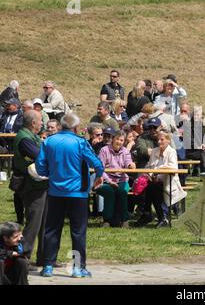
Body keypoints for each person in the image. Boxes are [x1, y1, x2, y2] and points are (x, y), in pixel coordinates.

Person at [35, 113, 104, 278]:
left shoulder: (49, 141)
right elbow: (96, 163)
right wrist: (99, 175)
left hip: (55, 192)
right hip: (78, 193)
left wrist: (49, 173)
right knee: (78, 231)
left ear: (61, 126)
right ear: (76, 127)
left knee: (51, 229)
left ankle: (48, 266)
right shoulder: (80, 142)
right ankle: (78, 268)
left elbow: (40, 167)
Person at [12, 110, 48, 268]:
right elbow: (39, 156)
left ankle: (45, 258)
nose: (42, 124)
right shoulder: (25, 138)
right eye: (40, 121)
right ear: (33, 123)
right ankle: (23, 258)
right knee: (33, 223)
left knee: (45, 223)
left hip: (41, 185)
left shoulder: (30, 136)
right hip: (32, 187)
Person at [136, 131, 186, 228]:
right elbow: (149, 166)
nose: (159, 142)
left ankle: (151, 215)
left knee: (153, 187)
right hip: (154, 181)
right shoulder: (155, 151)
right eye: (158, 139)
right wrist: (149, 174)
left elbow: (173, 167)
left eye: (162, 139)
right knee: (146, 186)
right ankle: (159, 217)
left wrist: (157, 171)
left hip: (168, 182)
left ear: (168, 140)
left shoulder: (172, 152)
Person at [97, 131, 136, 228]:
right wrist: (109, 181)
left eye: (121, 140)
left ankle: (125, 220)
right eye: (117, 139)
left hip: (122, 179)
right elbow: (100, 168)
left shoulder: (125, 151)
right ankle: (107, 220)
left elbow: (128, 162)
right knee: (109, 191)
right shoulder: (104, 150)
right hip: (105, 180)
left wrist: (131, 165)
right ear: (113, 139)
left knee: (122, 191)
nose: (119, 142)